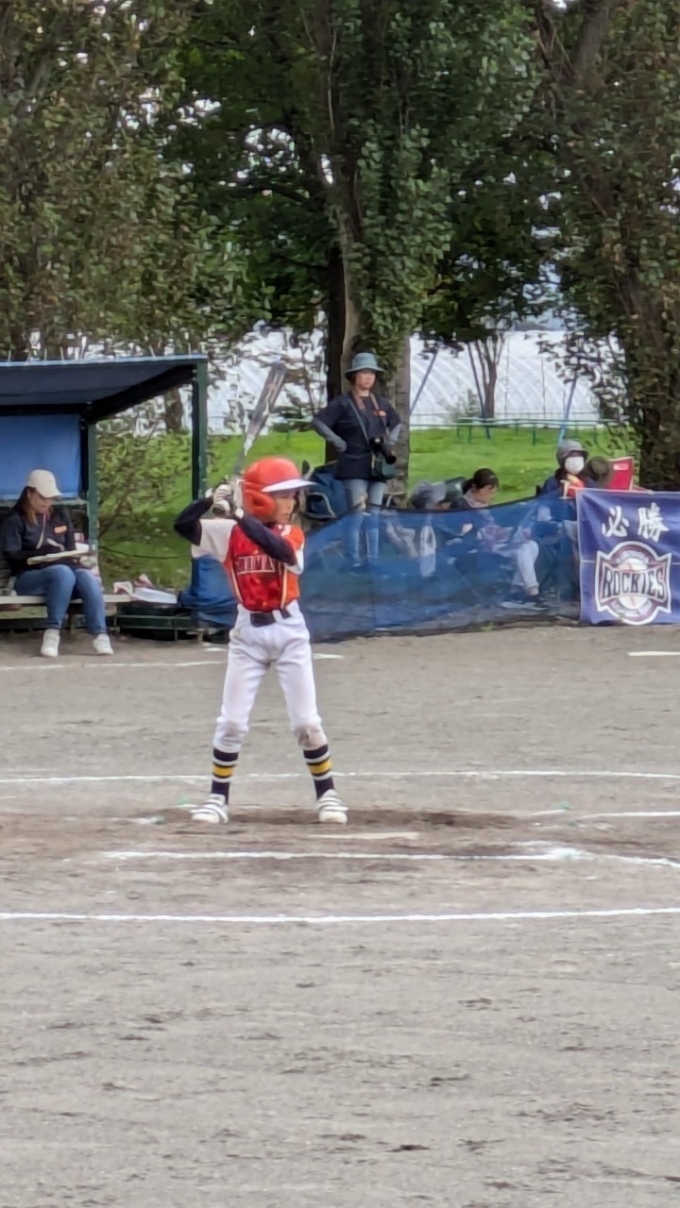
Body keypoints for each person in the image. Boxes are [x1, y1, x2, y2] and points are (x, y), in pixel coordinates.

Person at [174, 457, 348, 826]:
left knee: (307, 724)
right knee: (231, 723)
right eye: (283, 495)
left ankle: (328, 795)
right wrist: (208, 499)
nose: (291, 502)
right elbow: (183, 526)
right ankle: (217, 799)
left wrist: (239, 514)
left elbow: (280, 552)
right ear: (261, 499)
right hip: (247, 635)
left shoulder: (290, 534)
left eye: (292, 495)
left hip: (289, 632)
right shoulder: (228, 533)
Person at [0, 469, 112, 658]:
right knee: (62, 573)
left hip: (63, 572)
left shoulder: (60, 515)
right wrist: (42, 553)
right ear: (29, 493)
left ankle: (100, 634)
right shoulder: (15, 519)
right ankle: (52, 632)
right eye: (42, 497)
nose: (46, 502)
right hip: (27, 577)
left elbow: (70, 549)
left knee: (85, 576)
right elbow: (13, 557)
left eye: (50, 498)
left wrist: (77, 558)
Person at [311, 352, 401, 569]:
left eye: (372, 373)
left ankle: (373, 560)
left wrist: (391, 441)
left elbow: (397, 422)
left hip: (378, 467)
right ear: (354, 376)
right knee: (356, 514)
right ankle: (353, 560)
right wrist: (336, 441)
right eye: (364, 373)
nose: (368, 377)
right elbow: (318, 422)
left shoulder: (380, 402)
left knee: (374, 514)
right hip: (353, 464)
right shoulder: (342, 403)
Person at [449, 469, 545, 606]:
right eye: (488, 492)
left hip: (496, 543)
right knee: (523, 551)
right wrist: (484, 531)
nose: (491, 496)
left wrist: (506, 532)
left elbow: (493, 527)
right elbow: (462, 531)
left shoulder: (484, 506)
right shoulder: (461, 505)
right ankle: (531, 591)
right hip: (478, 547)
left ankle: (516, 590)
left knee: (531, 545)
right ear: (475, 488)